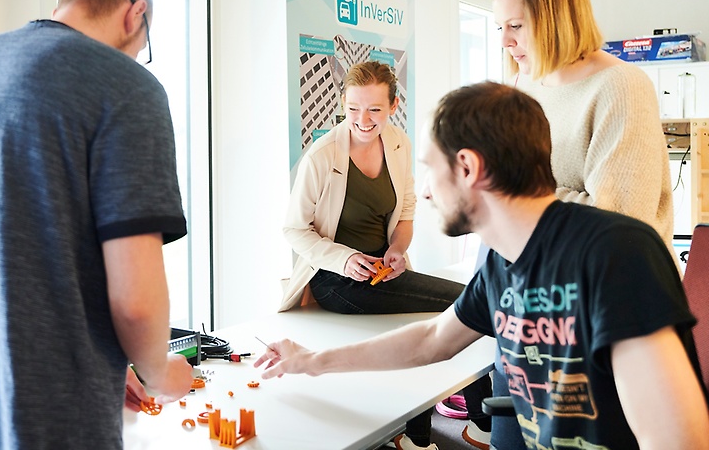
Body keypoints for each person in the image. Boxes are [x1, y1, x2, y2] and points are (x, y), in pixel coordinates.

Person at [256, 81, 709, 450]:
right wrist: (311, 361)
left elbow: (676, 439)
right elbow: (432, 340)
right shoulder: (500, 261)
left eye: (431, 170)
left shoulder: (616, 252)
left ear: (468, 168)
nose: (426, 192)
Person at [0, 0, 194, 449]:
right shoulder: (126, 87)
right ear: (136, 14)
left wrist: (111, 356)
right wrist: (158, 371)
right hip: (54, 419)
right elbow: (135, 299)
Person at [487, 0, 677, 449]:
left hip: (606, 314)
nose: (504, 41)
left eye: (515, 26)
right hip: (532, 306)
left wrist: (522, 198)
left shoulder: (620, 87)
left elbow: (618, 225)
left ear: (553, 20)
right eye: (499, 26)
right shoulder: (522, 86)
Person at [279, 61, 466, 450]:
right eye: (353, 109)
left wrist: (398, 249)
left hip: (385, 270)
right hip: (336, 278)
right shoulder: (322, 156)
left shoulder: (398, 143)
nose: (362, 120)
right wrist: (344, 258)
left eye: (374, 110)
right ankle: (477, 422)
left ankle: (415, 436)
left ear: (393, 105)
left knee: (428, 322)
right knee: (462, 302)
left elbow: (407, 211)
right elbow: (294, 229)